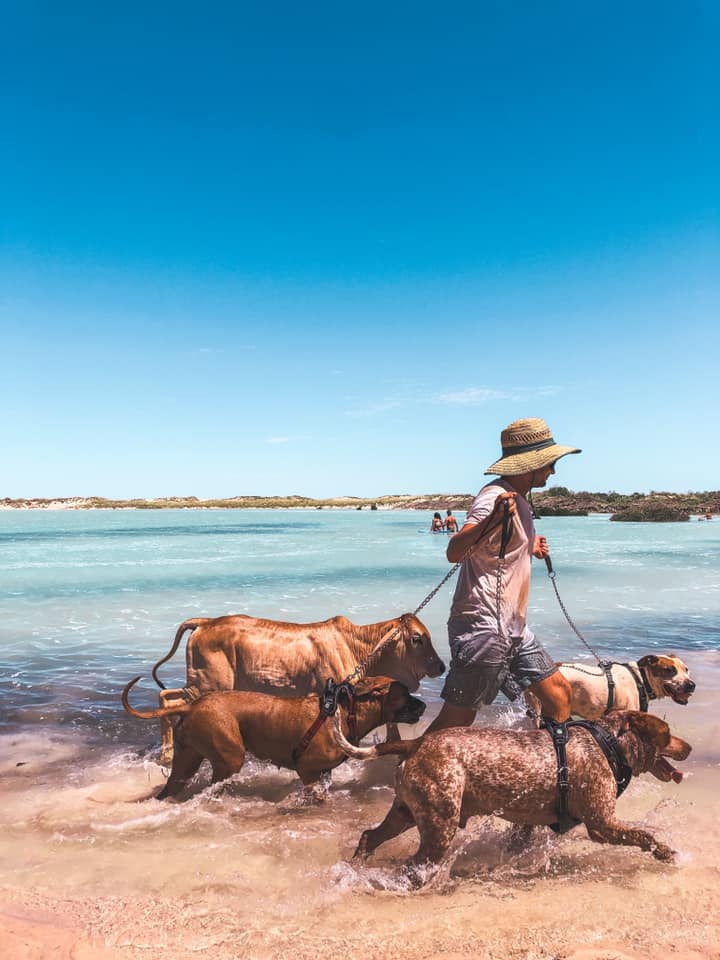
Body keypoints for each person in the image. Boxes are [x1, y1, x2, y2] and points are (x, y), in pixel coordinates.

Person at [425, 417, 581, 734]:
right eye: (550, 463)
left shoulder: (520, 499)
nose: (553, 471)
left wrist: (527, 548)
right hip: (482, 625)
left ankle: (548, 773)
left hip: (513, 627)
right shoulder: (493, 497)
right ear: (530, 464)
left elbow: (496, 549)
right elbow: (454, 552)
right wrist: (492, 519)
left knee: (560, 697)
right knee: (457, 722)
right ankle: (405, 773)